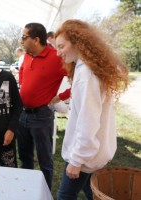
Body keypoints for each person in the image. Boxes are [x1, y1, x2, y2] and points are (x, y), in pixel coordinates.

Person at [55, 19, 129, 200]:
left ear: (78, 43)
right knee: (93, 193)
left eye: (61, 46)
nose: (58, 53)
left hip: (85, 156)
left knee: (65, 195)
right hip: (94, 154)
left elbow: (88, 122)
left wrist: (76, 160)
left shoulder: (86, 74)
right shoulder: (89, 69)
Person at [17, 22, 70, 190]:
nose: (21, 41)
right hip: (22, 114)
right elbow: (22, 76)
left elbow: (79, 80)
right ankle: (28, 191)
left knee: (44, 160)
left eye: (24, 37)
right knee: (25, 157)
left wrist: (61, 96)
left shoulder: (57, 57)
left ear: (36, 39)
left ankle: (44, 193)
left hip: (41, 116)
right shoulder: (26, 56)